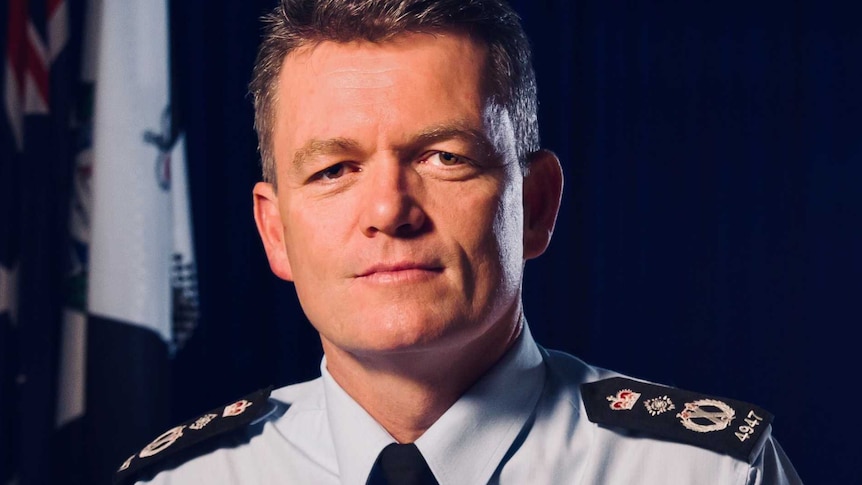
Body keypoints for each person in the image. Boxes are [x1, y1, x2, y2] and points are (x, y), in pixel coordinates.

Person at [115, 0, 802, 483]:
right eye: (333, 170)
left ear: (535, 205)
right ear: (275, 232)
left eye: (444, 157)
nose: (388, 210)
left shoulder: (704, 473)